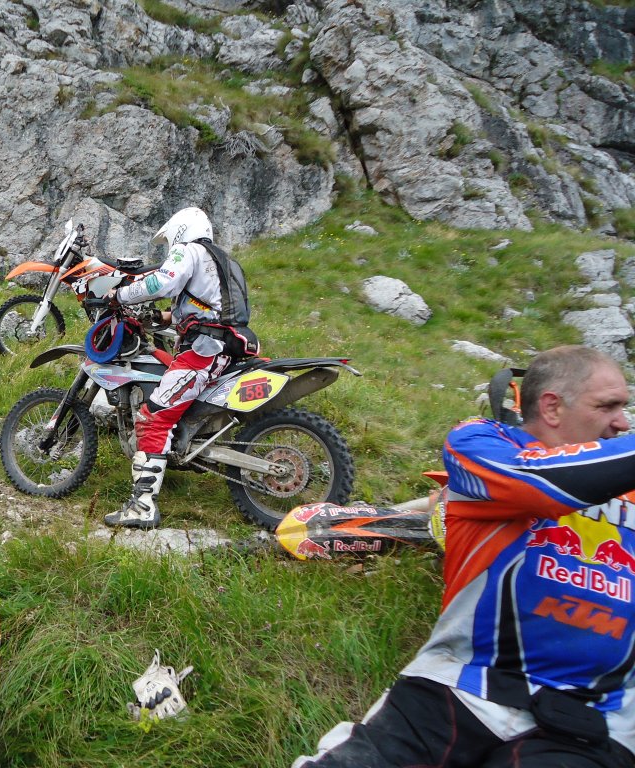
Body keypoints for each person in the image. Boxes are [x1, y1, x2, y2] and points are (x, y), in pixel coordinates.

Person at [294, 345, 635, 768]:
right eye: (607, 406)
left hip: (595, 716)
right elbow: (540, 485)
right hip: (462, 687)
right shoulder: (483, 441)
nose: (623, 422)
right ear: (552, 406)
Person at [104, 206, 253, 529]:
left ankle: (142, 507)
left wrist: (119, 295)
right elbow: (207, 309)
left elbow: (161, 282)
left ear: (180, 231)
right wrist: (159, 318)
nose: (171, 247)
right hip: (224, 348)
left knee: (153, 417)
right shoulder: (224, 261)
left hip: (202, 352)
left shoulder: (189, 251)